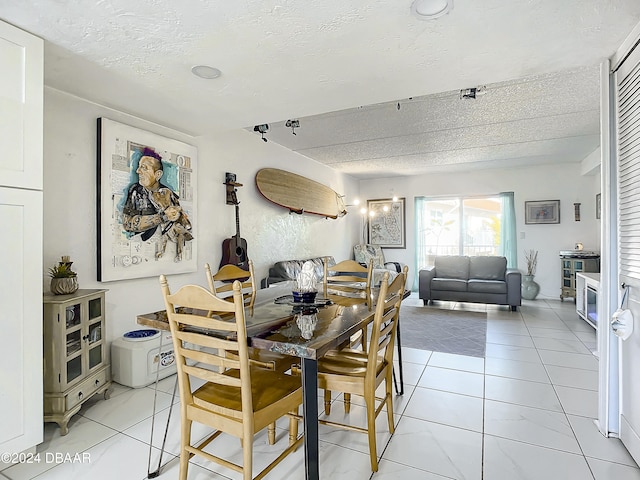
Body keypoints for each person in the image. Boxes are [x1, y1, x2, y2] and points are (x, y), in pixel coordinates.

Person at [122, 148, 192, 258]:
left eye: (144, 168)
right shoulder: (135, 191)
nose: (138, 171)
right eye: (139, 167)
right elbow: (127, 223)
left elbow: (184, 221)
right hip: (139, 248)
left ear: (158, 174)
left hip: (167, 250)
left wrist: (178, 215)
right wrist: (162, 217)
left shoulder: (168, 193)